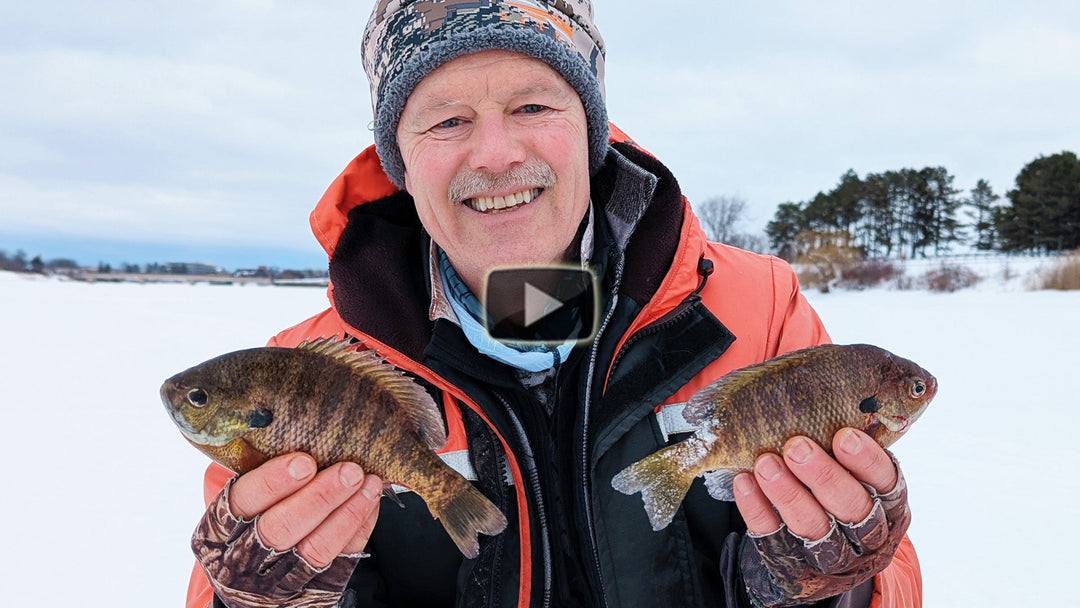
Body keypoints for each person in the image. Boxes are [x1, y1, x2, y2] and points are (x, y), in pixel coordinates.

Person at [185, 1, 921, 607]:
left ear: (590, 129)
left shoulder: (759, 309)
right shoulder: (298, 376)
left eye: (533, 104)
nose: (497, 153)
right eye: (446, 120)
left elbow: (895, 584)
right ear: (399, 162)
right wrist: (257, 600)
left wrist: (837, 586)